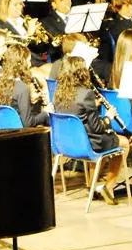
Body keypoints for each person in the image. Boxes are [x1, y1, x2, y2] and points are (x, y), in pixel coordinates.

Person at [52, 56, 126, 205]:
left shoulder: (58, 92)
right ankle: (108, 186)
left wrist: (93, 105)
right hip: (87, 144)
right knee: (123, 143)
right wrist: (109, 117)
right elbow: (97, 128)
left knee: (105, 142)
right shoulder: (86, 93)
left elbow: (77, 111)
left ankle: (91, 186)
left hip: (67, 144)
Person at [0, 43, 51, 127]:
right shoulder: (22, 88)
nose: (30, 64)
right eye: (28, 61)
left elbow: (11, 103)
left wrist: (28, 100)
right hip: (19, 134)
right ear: (21, 64)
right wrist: (46, 112)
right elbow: (28, 123)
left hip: (1, 127)